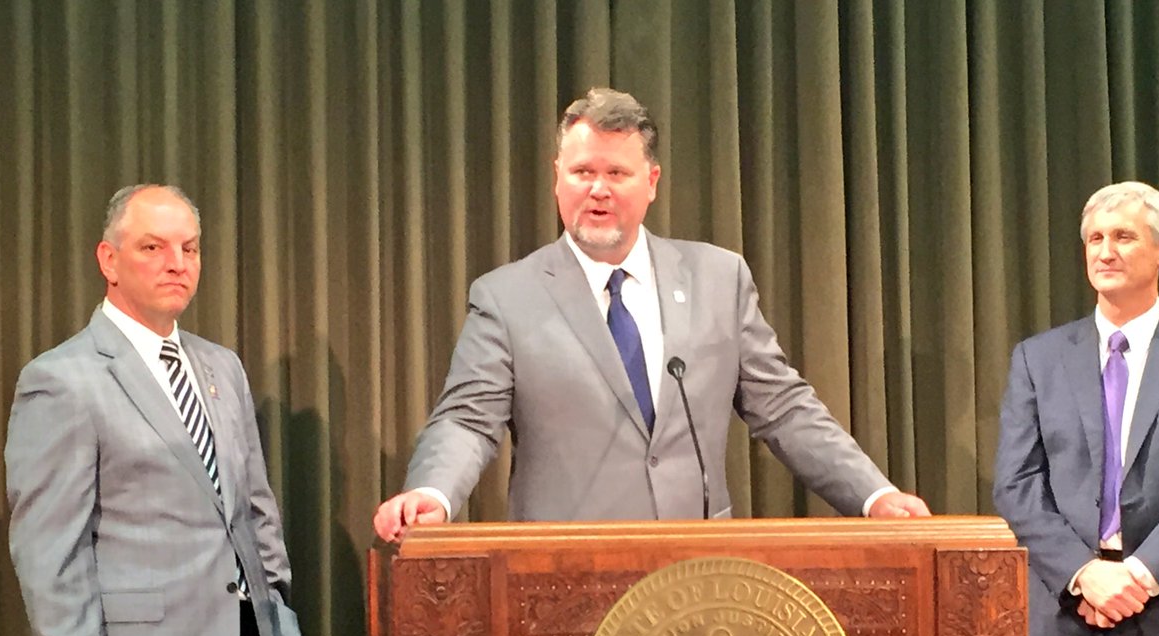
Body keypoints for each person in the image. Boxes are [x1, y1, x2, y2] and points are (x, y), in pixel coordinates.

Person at [374, 88, 929, 542]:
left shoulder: (719, 278)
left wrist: (873, 495)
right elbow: (468, 419)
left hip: (698, 571)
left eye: (616, 173)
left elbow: (783, 407)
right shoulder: (506, 297)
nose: (596, 190)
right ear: (556, 176)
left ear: (652, 183)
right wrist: (433, 493)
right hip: (562, 574)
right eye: (581, 172)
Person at [6, 184, 300, 636]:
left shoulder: (220, 367)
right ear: (109, 259)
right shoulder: (61, 380)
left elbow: (254, 510)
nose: (178, 263)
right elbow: (50, 547)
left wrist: (278, 627)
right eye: (154, 247)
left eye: (190, 248)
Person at [994, 181, 1159, 636]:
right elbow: (1016, 486)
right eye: (1094, 238)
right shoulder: (1038, 358)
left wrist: (1143, 576)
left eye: (1124, 236)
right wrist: (1086, 574)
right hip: (1064, 628)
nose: (1105, 252)